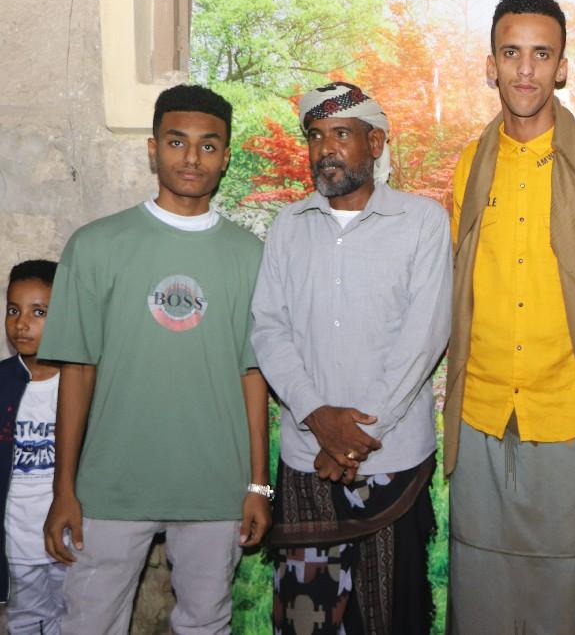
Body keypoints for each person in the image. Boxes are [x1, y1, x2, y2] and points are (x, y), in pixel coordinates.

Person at [39, 84, 271, 634]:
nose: (192, 158)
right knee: (89, 623)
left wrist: (257, 485)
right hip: (110, 486)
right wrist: (64, 487)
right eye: (176, 141)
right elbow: (77, 371)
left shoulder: (252, 255)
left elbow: (253, 373)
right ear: (152, 149)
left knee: (206, 622)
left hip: (215, 485)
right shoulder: (95, 245)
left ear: (226, 156)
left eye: (208, 145)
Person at [445, 0, 575, 633]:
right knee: (477, 591)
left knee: (560, 591)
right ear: (490, 65)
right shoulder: (471, 164)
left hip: (566, 411)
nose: (525, 69)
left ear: (562, 67)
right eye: (511, 53)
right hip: (480, 410)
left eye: (541, 54)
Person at [251, 82, 451, 634]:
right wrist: (318, 417)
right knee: (307, 617)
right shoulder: (288, 227)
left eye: (341, 134)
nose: (325, 149)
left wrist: (357, 434)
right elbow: (269, 329)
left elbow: (424, 337)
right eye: (315, 136)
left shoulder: (422, 221)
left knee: (390, 614)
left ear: (376, 142)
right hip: (306, 458)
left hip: (391, 456)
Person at [2, 259, 63, 633]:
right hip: (16, 540)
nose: (21, 323)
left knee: (73, 617)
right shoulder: (3, 383)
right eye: (14, 310)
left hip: (68, 537)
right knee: (24, 619)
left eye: (39, 312)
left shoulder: (80, 384)